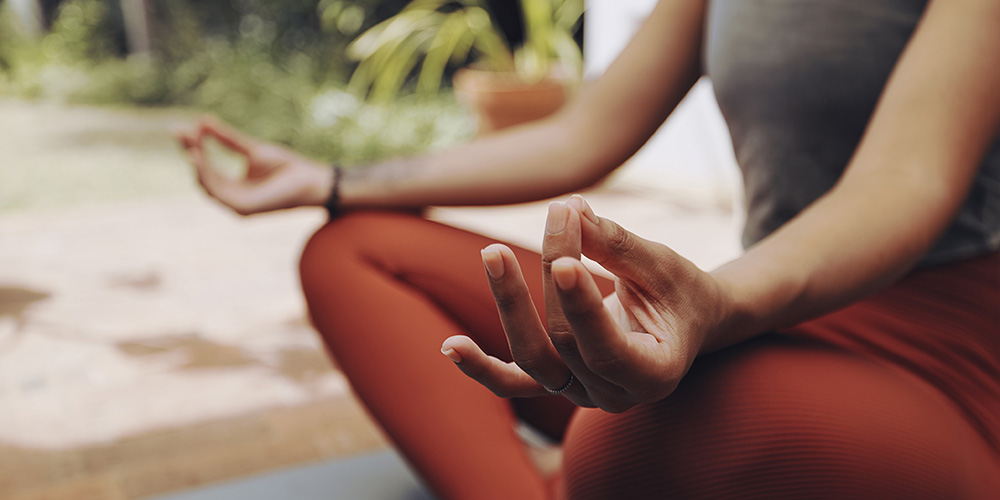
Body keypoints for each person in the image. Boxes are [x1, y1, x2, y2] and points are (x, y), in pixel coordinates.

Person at [177, 0, 1000, 498]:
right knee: (355, 253)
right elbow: (584, 134)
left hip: (944, 358)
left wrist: (711, 306)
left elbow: (904, 183)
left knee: (624, 442)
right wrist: (332, 177)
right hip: (777, 319)